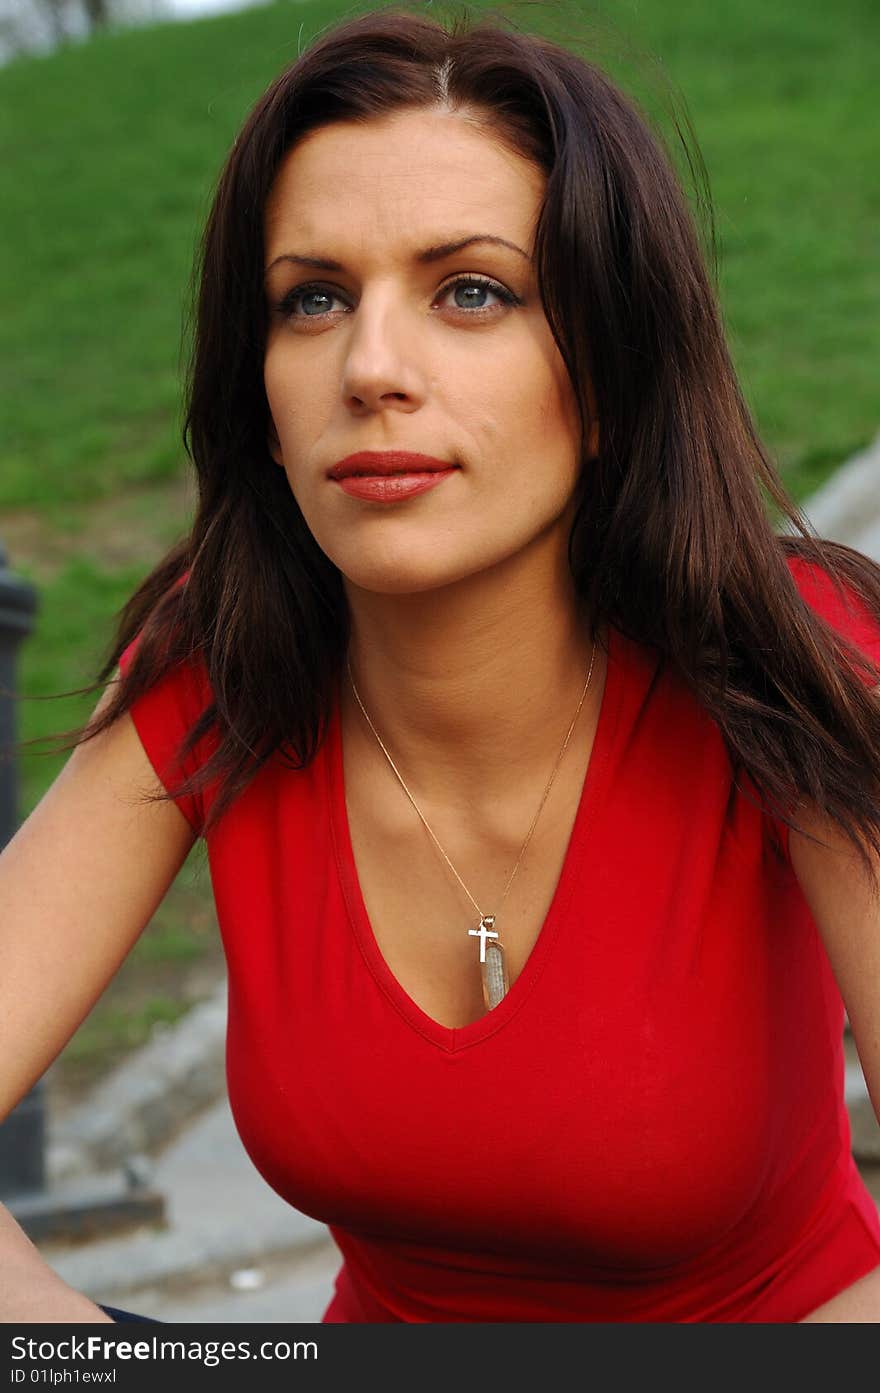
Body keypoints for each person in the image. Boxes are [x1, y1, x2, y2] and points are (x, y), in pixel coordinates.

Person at [2, 0, 880, 1325]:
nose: (371, 367)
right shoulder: (217, 662)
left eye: (471, 289)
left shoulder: (790, 653)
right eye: (312, 298)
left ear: (612, 368)